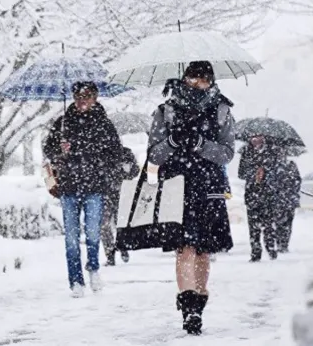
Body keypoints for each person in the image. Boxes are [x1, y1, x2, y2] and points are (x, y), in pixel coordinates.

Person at [147, 61, 235, 335]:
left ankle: (199, 302)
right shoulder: (166, 111)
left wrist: (200, 145)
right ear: (184, 78)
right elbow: (154, 155)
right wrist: (173, 141)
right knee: (183, 248)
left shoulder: (221, 110)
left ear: (211, 80)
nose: (198, 83)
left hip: (208, 186)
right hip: (177, 186)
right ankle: (189, 309)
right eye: (193, 78)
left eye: (204, 78)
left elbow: (227, 153)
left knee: (203, 250)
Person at [42, 81, 122, 298]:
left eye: (86, 96)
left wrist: (92, 156)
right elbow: (48, 149)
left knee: (94, 232)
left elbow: (116, 153)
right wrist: (60, 150)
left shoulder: (104, 124)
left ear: (95, 97)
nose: (82, 100)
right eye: (78, 96)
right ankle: (75, 281)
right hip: (68, 186)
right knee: (71, 237)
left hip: (95, 186)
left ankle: (94, 268)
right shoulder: (63, 123)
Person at [238, 136, 291, 261]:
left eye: (258, 137)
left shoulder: (272, 151)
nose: (255, 140)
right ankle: (255, 252)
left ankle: (270, 247)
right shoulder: (246, 152)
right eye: (253, 137)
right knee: (253, 227)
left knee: (268, 224)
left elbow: (278, 173)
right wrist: (254, 173)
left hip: (268, 195)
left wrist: (265, 172)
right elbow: (241, 173)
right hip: (252, 195)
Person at [101, 146, 140, 266]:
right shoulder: (100, 152)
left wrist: (125, 173)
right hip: (107, 193)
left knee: (116, 223)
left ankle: (121, 248)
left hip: (119, 192)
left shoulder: (125, 152)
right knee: (105, 225)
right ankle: (112, 253)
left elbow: (135, 170)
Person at [273, 156, 301, 252]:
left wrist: (292, 189)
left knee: (288, 222)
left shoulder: (291, 164)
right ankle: (280, 243)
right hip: (279, 200)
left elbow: (298, 180)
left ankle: (284, 244)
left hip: (289, 199)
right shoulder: (274, 165)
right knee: (279, 222)